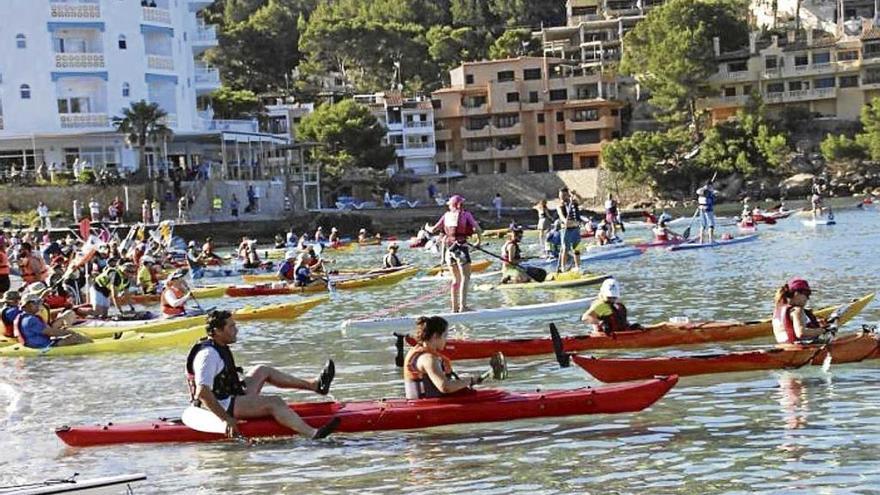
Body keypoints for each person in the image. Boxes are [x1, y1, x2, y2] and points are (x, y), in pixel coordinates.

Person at [185, 310, 340, 439]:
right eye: (231, 327)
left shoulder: (219, 345)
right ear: (217, 331)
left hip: (228, 396)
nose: (236, 330)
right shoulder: (208, 355)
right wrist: (226, 419)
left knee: (262, 370)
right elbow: (202, 392)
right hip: (217, 406)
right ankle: (313, 433)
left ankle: (315, 385)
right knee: (275, 402)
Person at [403, 316, 487, 399]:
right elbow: (445, 387)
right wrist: (471, 380)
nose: (446, 340)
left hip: (429, 402)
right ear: (435, 336)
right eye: (445, 335)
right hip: (424, 406)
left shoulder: (420, 351)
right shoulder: (428, 359)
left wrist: (465, 382)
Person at [430, 195, 482, 313]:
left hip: (449, 250)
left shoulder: (446, 215)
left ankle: (454, 308)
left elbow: (433, 229)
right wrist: (479, 241)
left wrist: (428, 227)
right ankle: (463, 307)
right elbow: (478, 229)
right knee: (465, 277)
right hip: (461, 249)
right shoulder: (466, 214)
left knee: (455, 279)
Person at [13, 293, 91, 348]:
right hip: (42, 346)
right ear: (29, 305)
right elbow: (51, 332)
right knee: (77, 337)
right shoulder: (30, 319)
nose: (39, 306)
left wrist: (62, 332)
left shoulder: (23, 317)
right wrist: (69, 332)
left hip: (33, 344)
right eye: (36, 303)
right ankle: (93, 347)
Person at [772, 278, 824, 344]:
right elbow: (801, 333)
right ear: (796, 293)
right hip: (799, 348)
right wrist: (823, 330)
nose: (808, 298)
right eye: (807, 294)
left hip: (783, 346)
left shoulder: (778, 309)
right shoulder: (797, 310)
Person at [555, 188, 581, 273]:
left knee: (576, 248)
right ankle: (563, 267)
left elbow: (581, 201)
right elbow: (561, 216)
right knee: (565, 248)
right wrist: (565, 221)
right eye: (560, 196)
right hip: (565, 229)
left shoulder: (574, 202)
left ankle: (578, 267)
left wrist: (575, 194)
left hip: (575, 228)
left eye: (563, 195)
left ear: (567, 195)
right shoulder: (559, 205)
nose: (561, 197)